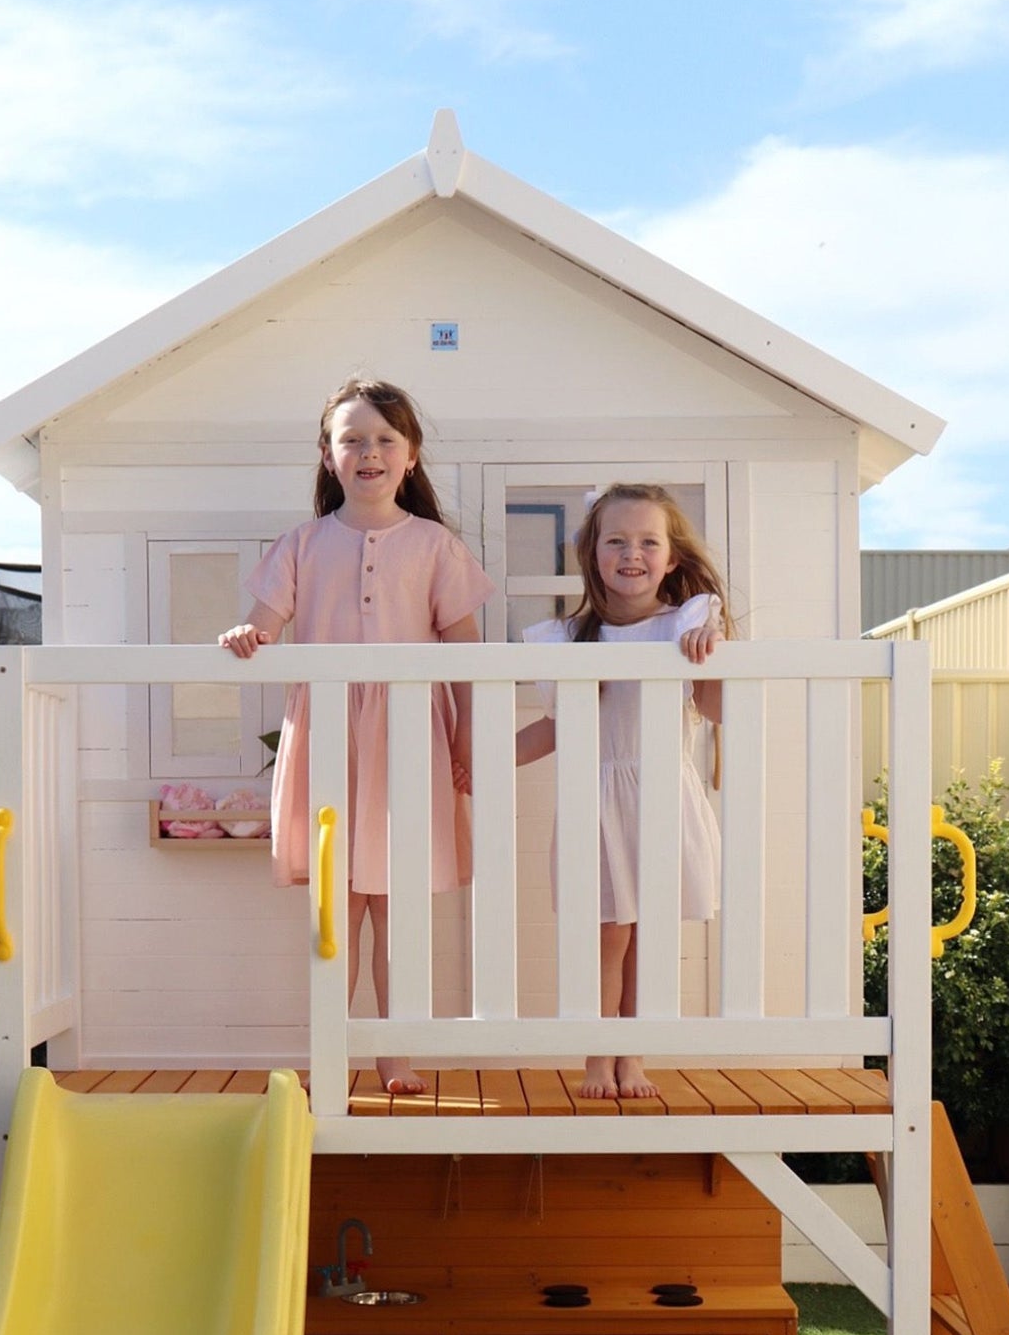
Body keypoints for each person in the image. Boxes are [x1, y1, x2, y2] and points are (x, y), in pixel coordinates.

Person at [222, 376, 493, 1094]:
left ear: (410, 456)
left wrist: (466, 737)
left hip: (410, 740)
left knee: (397, 909)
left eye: (383, 439)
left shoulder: (435, 547)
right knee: (335, 910)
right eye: (351, 439)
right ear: (326, 453)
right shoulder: (302, 544)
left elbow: (466, 655)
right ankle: (328, 1058)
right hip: (330, 739)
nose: (367, 452)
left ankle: (394, 1055)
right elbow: (264, 621)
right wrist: (251, 634)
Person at [516, 483, 725, 1101]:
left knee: (647, 933)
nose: (631, 553)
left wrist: (709, 657)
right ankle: (596, 1057)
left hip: (663, 798)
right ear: (592, 552)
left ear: (671, 558)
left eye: (647, 542)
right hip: (596, 802)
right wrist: (482, 758)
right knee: (608, 932)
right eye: (616, 540)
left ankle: (631, 1056)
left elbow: (715, 708)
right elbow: (558, 726)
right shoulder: (570, 638)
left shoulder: (685, 626)